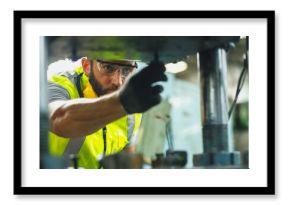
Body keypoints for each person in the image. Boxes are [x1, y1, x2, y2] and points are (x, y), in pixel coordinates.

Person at [48, 57, 167, 168]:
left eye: (127, 70)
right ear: (87, 65)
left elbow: (126, 156)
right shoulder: (61, 86)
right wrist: (120, 102)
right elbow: (58, 119)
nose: (118, 82)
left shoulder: (132, 107)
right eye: (108, 68)